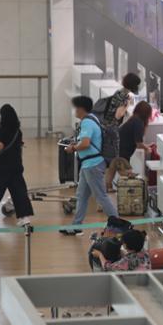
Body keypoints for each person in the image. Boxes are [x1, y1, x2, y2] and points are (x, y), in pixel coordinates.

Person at [61, 96, 118, 236]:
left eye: (75, 108)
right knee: (82, 195)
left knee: (101, 196)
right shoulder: (93, 119)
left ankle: (118, 225)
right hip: (89, 164)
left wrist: (73, 149)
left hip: (92, 165)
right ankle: (76, 226)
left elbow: (86, 143)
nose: (74, 110)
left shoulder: (87, 122)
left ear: (80, 109)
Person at [0, 104, 34, 227]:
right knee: (19, 192)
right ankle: (24, 218)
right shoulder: (18, 131)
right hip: (16, 166)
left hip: (2, 167)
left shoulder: (0, 130)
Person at [103, 73, 142, 163]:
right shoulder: (125, 96)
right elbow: (118, 115)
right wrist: (127, 105)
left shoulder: (119, 91)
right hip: (112, 129)